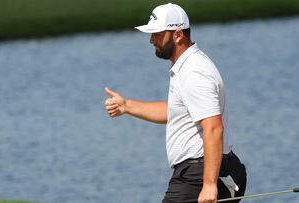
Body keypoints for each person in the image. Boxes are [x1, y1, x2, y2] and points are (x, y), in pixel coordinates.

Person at [104, 3, 246, 203]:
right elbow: (176, 111)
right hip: (207, 171)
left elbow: (213, 128)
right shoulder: (187, 66)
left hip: (199, 175)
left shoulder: (194, 72)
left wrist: (209, 185)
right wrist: (127, 106)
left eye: (158, 35)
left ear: (178, 35)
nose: (151, 40)